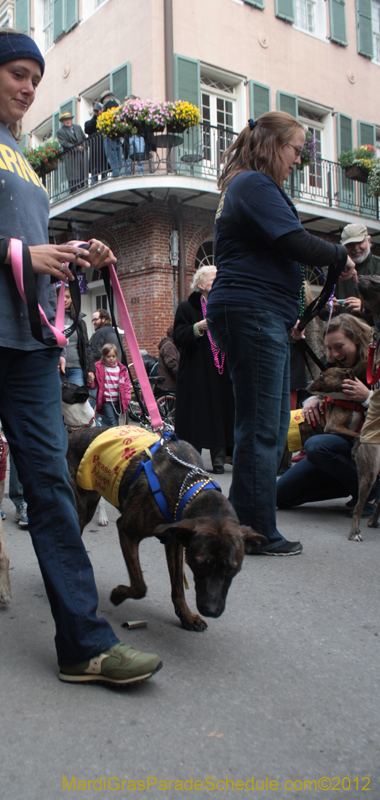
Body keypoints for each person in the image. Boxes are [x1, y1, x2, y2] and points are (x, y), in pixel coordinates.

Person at [0, 28, 161, 685]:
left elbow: (27, 249)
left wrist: (70, 256)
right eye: (19, 73)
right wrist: (15, 253)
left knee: (48, 484)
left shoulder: (20, 152)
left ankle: (84, 644)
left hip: (29, 342)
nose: (29, 87)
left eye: (36, 79)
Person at [205, 111, 356, 556]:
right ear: (273, 146)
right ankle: (255, 531)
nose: (299, 159)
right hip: (252, 311)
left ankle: (238, 519)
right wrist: (338, 253)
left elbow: (281, 245)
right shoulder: (254, 184)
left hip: (255, 311)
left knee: (264, 423)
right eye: (296, 149)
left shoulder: (250, 185)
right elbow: (292, 240)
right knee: (263, 427)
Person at [277, 314, 377, 512]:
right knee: (281, 495)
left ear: (356, 339)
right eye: (330, 348)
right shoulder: (334, 362)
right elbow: (317, 384)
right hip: (341, 446)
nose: (335, 354)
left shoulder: (376, 362)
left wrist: (367, 397)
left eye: (339, 346)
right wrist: (314, 398)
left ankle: (371, 491)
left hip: (371, 443)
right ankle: (354, 485)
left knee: (317, 446)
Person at [173, 266, 234, 474]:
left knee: (221, 413)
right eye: (213, 277)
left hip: (221, 371)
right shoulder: (187, 307)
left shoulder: (225, 306)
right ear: (201, 285)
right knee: (196, 417)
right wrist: (197, 328)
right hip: (196, 372)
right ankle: (192, 459)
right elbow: (178, 337)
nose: (219, 280)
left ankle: (219, 461)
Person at [337, 223, 380, 312]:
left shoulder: (378, 265)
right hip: (342, 325)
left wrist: (365, 307)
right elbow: (320, 312)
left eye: (360, 242)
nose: (356, 248)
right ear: (342, 246)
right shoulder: (336, 270)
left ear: (368, 241)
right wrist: (327, 306)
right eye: (350, 244)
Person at [60, 285, 94, 387]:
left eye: (68, 297)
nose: (65, 299)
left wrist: (90, 369)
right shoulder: (50, 319)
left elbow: (86, 346)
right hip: (55, 368)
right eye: (62, 296)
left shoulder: (79, 321)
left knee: (78, 400)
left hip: (76, 368)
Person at [91, 343, 131, 427]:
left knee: (113, 421)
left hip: (117, 401)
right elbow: (93, 384)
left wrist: (126, 399)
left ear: (116, 356)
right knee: (113, 422)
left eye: (113, 356)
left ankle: (107, 436)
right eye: (108, 356)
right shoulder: (99, 368)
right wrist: (89, 381)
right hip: (106, 401)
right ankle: (116, 437)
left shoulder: (121, 370)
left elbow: (127, 386)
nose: (111, 358)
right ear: (104, 356)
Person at [56, 112, 87, 193]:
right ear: (62, 121)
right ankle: (74, 191)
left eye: (69, 119)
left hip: (81, 156)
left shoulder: (78, 127)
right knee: (74, 180)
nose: (68, 121)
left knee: (83, 178)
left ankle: (84, 188)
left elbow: (84, 139)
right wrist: (77, 147)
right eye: (66, 120)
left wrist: (84, 146)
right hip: (71, 158)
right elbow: (64, 144)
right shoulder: (60, 132)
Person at [99, 90, 123, 177]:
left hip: (109, 133)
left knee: (111, 153)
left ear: (105, 98)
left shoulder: (108, 104)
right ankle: (118, 171)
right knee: (118, 152)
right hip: (118, 133)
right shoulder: (118, 104)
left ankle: (116, 172)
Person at [84, 102, 108, 183]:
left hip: (103, 149)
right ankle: (94, 183)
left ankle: (104, 182)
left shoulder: (105, 120)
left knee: (104, 170)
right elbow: (87, 130)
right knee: (95, 170)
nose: (97, 112)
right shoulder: (89, 122)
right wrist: (95, 117)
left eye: (98, 111)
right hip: (94, 150)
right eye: (95, 111)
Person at [156, 325, 178, 394]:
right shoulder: (169, 345)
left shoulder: (172, 345)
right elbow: (171, 363)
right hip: (169, 384)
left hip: (170, 383)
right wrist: (181, 375)